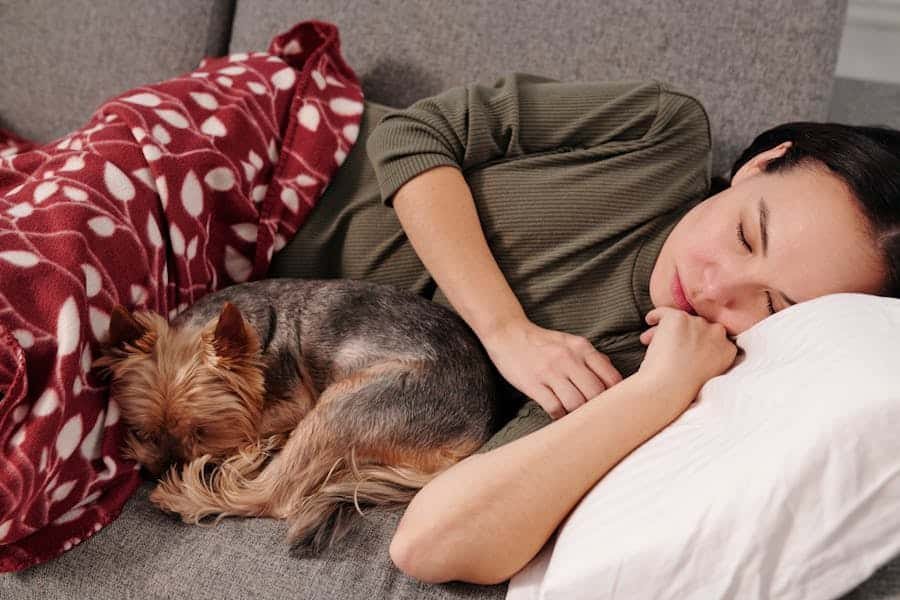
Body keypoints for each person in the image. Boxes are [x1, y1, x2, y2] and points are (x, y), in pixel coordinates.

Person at [269, 73, 900, 584]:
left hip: (240, 302)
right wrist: (506, 330)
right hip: (273, 150)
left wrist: (654, 393)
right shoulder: (663, 134)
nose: (715, 286)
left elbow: (431, 543)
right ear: (762, 164)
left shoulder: (625, 371)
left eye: (770, 307)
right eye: (744, 233)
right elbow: (413, 133)